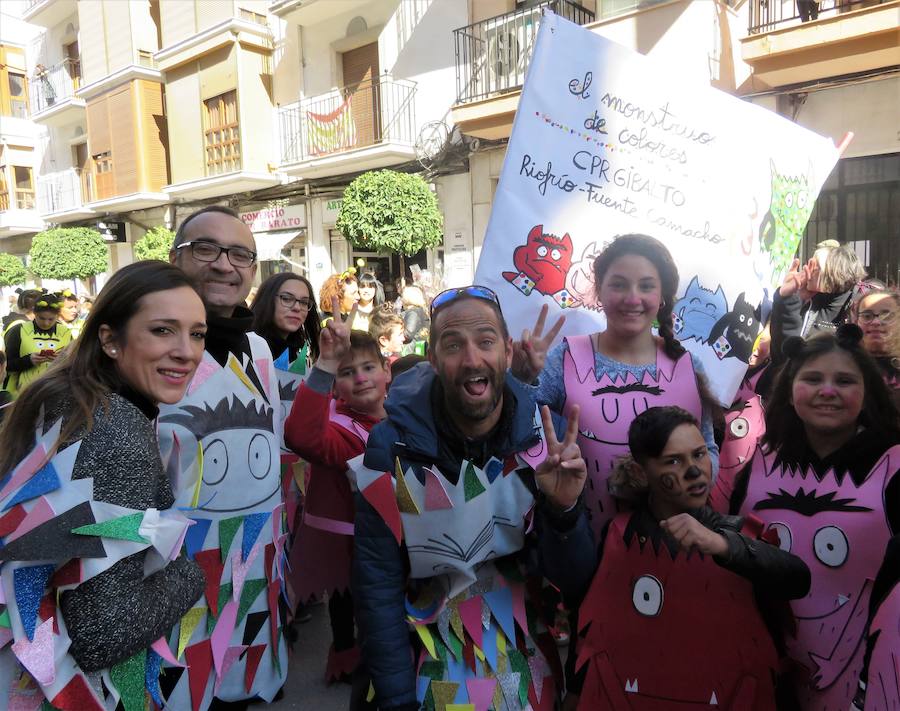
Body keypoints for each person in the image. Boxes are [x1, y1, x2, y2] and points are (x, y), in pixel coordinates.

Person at [352, 285, 588, 710]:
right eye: (453, 344)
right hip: (423, 666)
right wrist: (397, 699)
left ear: (507, 351)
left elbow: (575, 582)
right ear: (433, 359)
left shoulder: (541, 443)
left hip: (525, 669)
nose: (472, 359)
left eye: (485, 342)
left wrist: (565, 511)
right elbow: (376, 584)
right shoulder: (390, 445)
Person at [0, 261, 207, 708]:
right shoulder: (114, 431)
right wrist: (193, 573)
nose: (187, 351)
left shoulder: (70, 398)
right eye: (163, 330)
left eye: (196, 333)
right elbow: (103, 634)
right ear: (111, 339)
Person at [539, 406, 809, 709]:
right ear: (642, 472)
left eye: (698, 454)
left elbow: (798, 579)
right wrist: (577, 689)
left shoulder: (736, 534)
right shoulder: (621, 533)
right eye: (674, 461)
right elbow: (596, 617)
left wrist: (723, 545)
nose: (694, 471)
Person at [158, 205, 287, 709]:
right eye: (206, 249)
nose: (223, 265)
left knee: (248, 692)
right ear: (176, 257)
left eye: (240, 254)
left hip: (258, 574)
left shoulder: (257, 350)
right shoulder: (148, 348)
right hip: (174, 585)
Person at [730, 326, 900, 710]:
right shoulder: (760, 463)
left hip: (869, 685)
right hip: (768, 674)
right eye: (812, 378)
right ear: (790, 390)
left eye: (844, 380)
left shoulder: (894, 467)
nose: (828, 391)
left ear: (867, 392)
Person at [520, 234, 720, 539]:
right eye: (619, 284)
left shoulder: (688, 365)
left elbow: (710, 447)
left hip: (675, 549)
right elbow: (519, 434)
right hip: (584, 547)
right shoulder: (564, 358)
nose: (632, 298)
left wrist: (688, 481)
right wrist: (521, 380)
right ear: (599, 290)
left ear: (663, 295)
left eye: (646, 286)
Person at [284, 301, 389, 683]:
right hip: (350, 543)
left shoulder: (405, 418)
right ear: (336, 385)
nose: (360, 378)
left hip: (396, 546)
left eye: (367, 367)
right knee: (348, 601)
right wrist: (325, 365)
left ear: (386, 370)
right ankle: (349, 658)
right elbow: (301, 436)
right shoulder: (341, 429)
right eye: (347, 372)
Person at [769, 244, 866, 365]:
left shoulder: (859, 306)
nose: (807, 269)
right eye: (809, 264)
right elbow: (783, 357)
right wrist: (787, 297)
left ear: (835, 272)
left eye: (815, 266)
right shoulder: (805, 301)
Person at [3, 291, 73, 397]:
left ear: (58, 316)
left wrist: (62, 360)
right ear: (34, 313)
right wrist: (28, 360)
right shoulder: (19, 331)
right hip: (24, 393)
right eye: (42, 318)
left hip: (56, 392)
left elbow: (75, 363)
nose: (46, 323)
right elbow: (6, 364)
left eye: (51, 319)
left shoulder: (66, 333)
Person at [250, 271, 321, 367]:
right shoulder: (248, 347)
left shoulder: (297, 349)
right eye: (287, 299)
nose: (297, 308)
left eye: (304, 302)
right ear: (267, 300)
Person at [852, 288, 899, 389]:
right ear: (856, 322)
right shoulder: (843, 364)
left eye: (886, 316)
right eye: (867, 316)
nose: (875, 322)